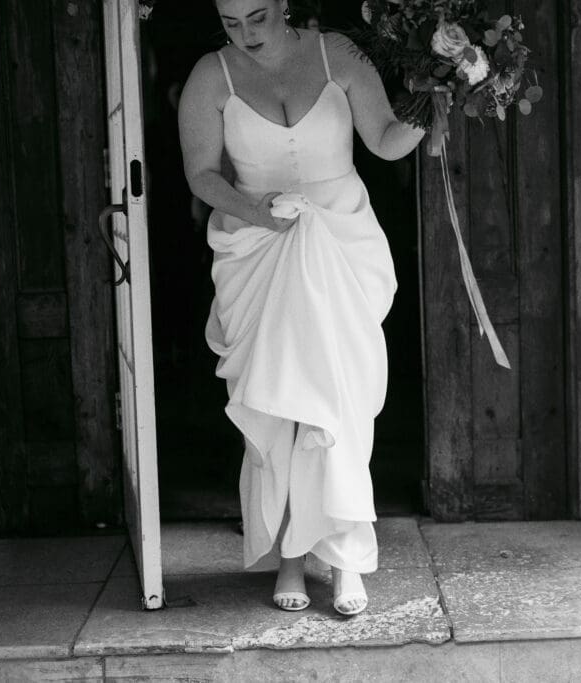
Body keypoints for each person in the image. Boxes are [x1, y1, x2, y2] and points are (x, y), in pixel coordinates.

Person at [177, 0, 427, 617]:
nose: (246, 34)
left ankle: (344, 559)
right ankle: (290, 555)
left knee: (339, 397)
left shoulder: (336, 53)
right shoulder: (211, 75)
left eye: (257, 17)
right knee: (282, 400)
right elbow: (201, 174)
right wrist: (257, 212)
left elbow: (385, 141)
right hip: (260, 244)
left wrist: (437, 101)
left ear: (284, 5)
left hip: (340, 242)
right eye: (231, 23)